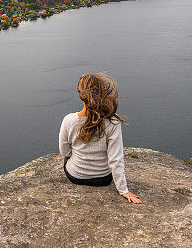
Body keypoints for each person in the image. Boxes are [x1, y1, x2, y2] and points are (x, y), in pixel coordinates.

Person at [58, 72, 142, 204]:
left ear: (81, 95)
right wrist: (123, 190)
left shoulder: (68, 120)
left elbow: (65, 151)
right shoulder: (113, 121)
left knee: (68, 157)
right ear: (102, 93)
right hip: (103, 179)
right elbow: (116, 159)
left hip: (75, 176)